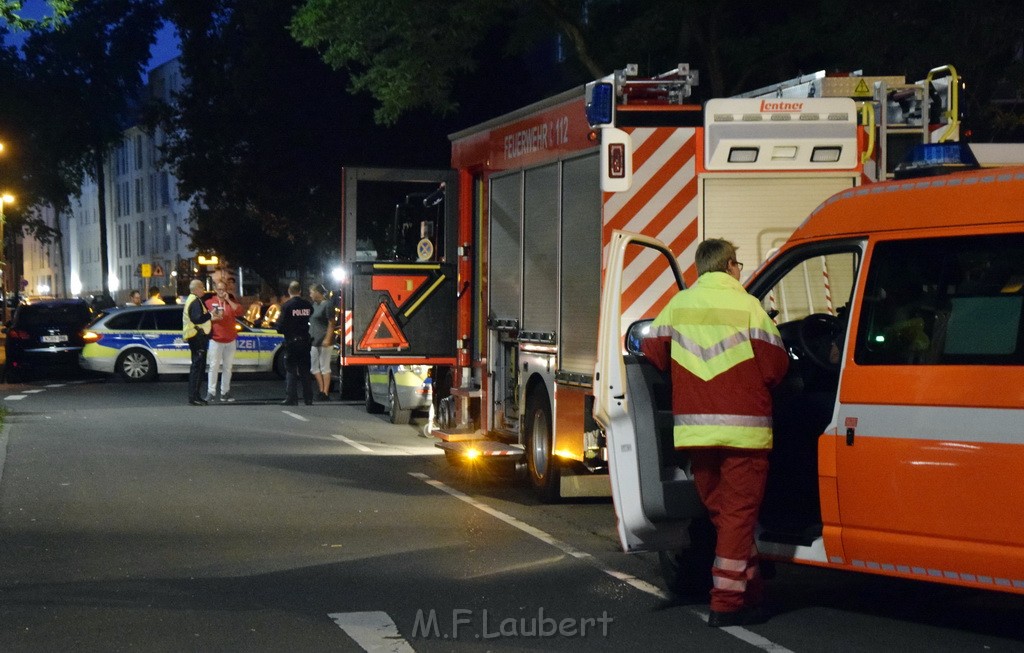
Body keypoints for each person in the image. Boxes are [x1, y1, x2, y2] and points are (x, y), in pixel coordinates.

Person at [641, 239, 789, 628]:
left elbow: (651, 350)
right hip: (745, 434)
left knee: (726, 516)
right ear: (728, 266)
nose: (740, 270)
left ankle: (752, 591)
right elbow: (776, 368)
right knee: (738, 515)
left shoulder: (679, 305)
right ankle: (726, 603)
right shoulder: (749, 307)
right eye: (738, 263)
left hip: (696, 434)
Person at [275, 280, 314, 406]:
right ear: (300, 291)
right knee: (305, 370)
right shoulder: (307, 305)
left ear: (289, 291)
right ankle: (308, 398)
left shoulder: (287, 306)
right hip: (305, 341)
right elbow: (311, 315)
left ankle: (292, 398)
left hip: (292, 342)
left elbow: (280, 326)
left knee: (291, 370)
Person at [205, 280, 243, 402]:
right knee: (213, 366)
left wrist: (229, 300)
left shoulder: (230, 302)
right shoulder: (210, 302)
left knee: (228, 367)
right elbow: (206, 317)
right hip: (216, 339)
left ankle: (225, 392)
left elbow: (239, 311)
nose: (222, 292)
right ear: (215, 290)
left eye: (223, 289)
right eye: (219, 289)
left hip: (230, 339)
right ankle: (211, 392)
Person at [183, 279, 220, 406]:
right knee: (198, 368)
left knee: (198, 367)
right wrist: (210, 314)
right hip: (197, 336)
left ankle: (196, 395)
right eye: (202, 287)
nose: (204, 289)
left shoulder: (192, 299)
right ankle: (193, 397)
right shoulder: (195, 301)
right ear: (197, 288)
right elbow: (197, 318)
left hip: (195, 336)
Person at [308, 283, 336, 401]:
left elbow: (331, 322)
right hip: (313, 339)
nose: (310, 295)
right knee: (314, 367)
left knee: (325, 366)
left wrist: (328, 338)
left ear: (317, 292)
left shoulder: (328, 305)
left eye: (311, 292)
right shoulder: (314, 305)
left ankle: (325, 392)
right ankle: (321, 389)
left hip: (324, 340)